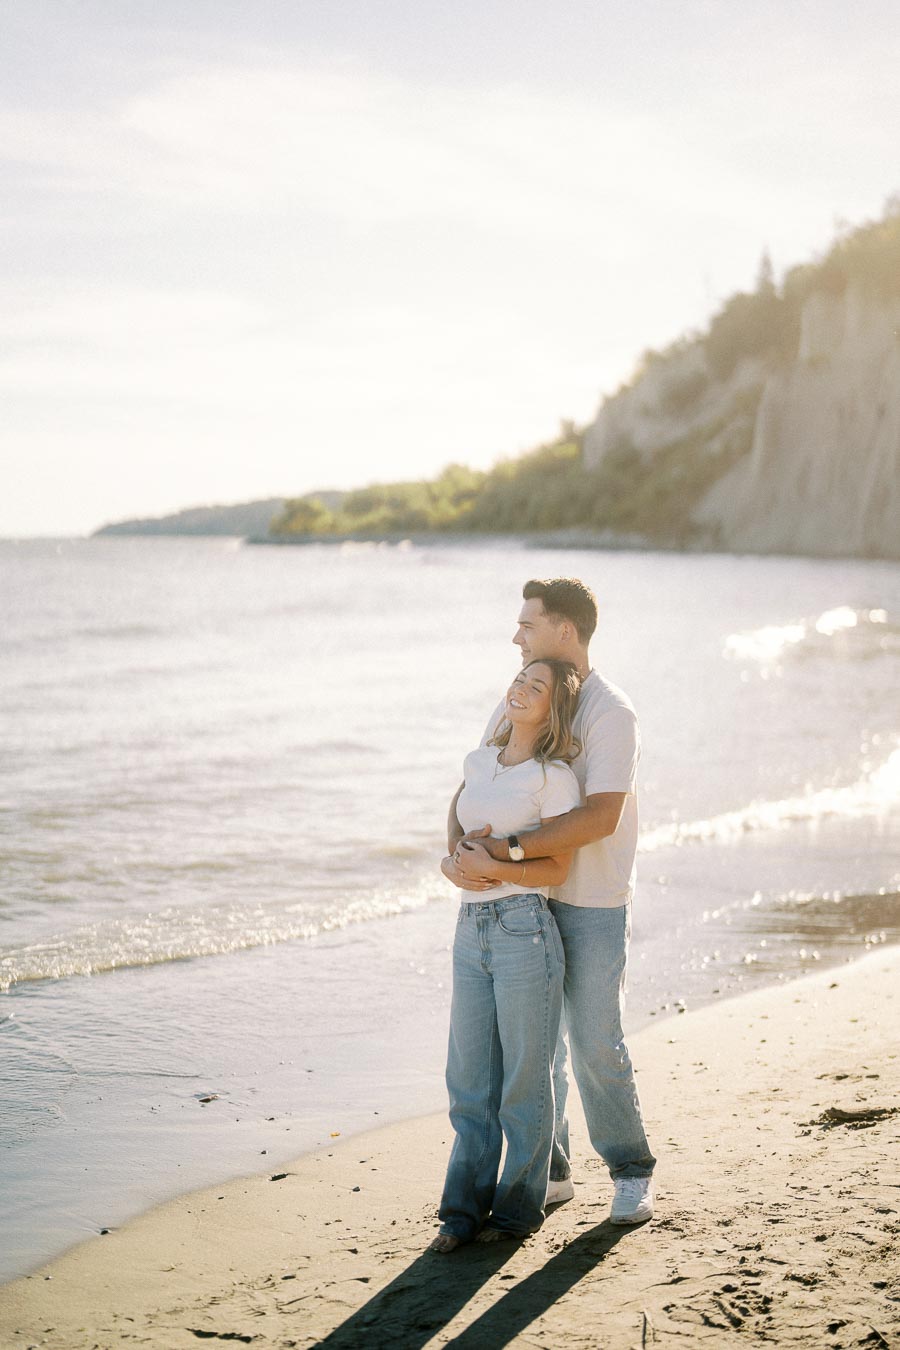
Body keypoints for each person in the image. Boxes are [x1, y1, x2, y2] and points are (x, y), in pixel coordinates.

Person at [446, 577, 656, 1226]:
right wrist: (456, 859)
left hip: (589, 900)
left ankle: (630, 1169)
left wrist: (505, 851)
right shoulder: (516, 699)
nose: (516, 636)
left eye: (527, 624)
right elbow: (473, 781)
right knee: (538, 1051)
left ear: (565, 630)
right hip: (518, 909)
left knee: (593, 1040)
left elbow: (598, 816)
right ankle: (553, 1172)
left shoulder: (609, 711)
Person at [430, 658, 583, 1252]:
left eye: (536, 686)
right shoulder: (479, 762)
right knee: (469, 1079)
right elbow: (459, 828)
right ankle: (461, 1211)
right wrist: (451, 863)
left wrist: (494, 866)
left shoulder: (556, 777)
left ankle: (518, 1210)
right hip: (471, 929)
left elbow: (559, 864)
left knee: (525, 1079)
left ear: (553, 709)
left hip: (526, 930)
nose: (521, 688)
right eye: (520, 679)